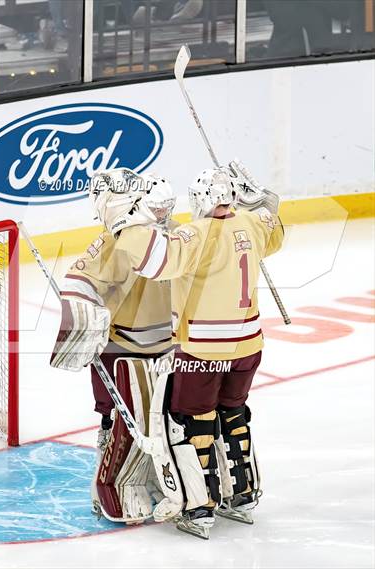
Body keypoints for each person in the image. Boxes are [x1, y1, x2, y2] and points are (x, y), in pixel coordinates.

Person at [94, 160, 284, 538]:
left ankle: (199, 507)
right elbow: (274, 227)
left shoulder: (194, 235)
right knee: (234, 413)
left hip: (204, 350)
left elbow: (153, 261)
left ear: (199, 200)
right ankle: (241, 495)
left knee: (190, 422)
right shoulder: (250, 225)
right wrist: (265, 199)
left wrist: (122, 220)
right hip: (249, 346)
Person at [50, 169, 178, 522]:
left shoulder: (167, 235)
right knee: (121, 421)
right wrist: (85, 315)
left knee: (165, 422)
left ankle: (155, 480)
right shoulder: (113, 241)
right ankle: (111, 483)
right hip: (122, 347)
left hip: (167, 346)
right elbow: (80, 281)